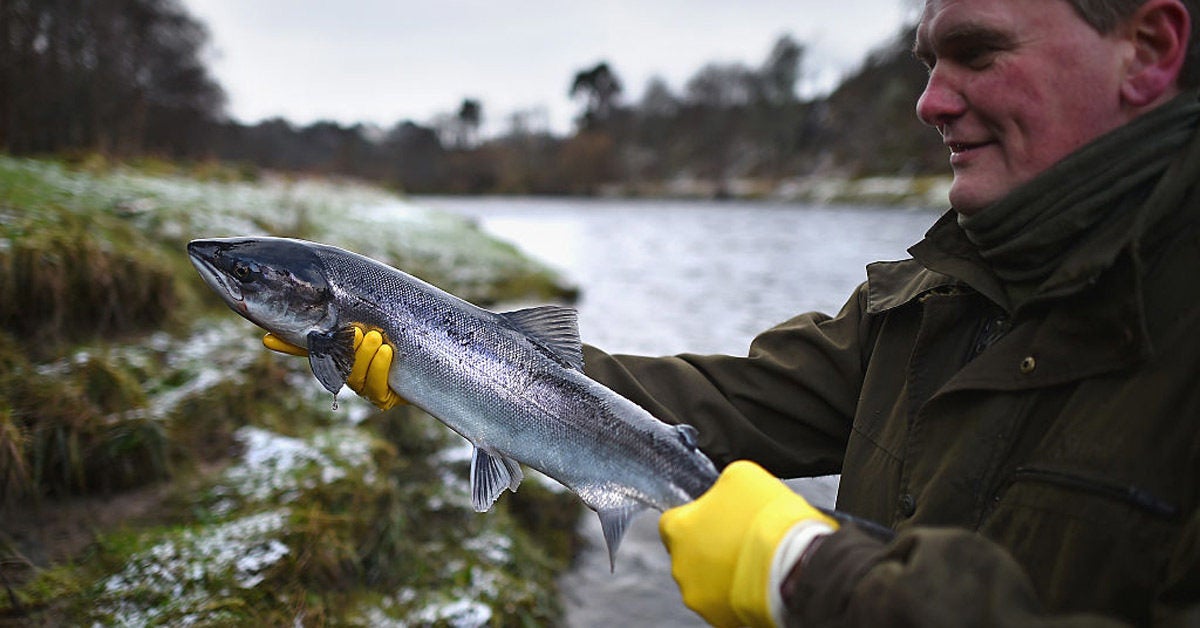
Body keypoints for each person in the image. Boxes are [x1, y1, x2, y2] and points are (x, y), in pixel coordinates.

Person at [266, 0, 1200, 624]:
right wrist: (458, 366)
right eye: (925, 60)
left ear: (1148, 51)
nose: (928, 102)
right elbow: (732, 400)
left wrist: (805, 572)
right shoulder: (927, 305)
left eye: (978, 52)